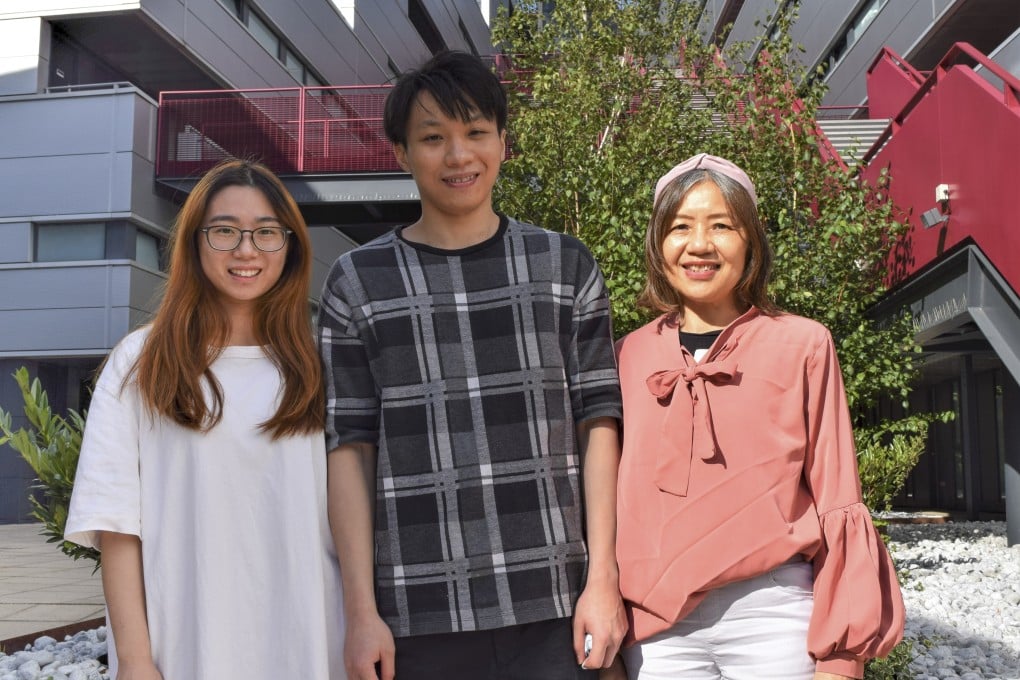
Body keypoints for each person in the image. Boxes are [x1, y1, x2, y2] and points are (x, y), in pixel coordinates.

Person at [317, 50, 626, 680]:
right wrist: (360, 612)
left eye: (476, 133)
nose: (459, 156)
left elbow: (600, 422)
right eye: (434, 138)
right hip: (415, 614)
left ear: (504, 143)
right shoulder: (357, 281)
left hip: (554, 603)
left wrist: (604, 579)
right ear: (401, 152)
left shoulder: (565, 266)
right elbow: (349, 446)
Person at [609, 154, 905, 680]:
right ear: (658, 244)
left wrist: (841, 656)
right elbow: (605, 504)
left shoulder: (803, 344)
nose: (700, 245)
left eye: (721, 225)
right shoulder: (625, 357)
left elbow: (838, 494)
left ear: (750, 241)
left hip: (776, 615)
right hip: (656, 629)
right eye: (681, 227)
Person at [64, 159, 345, 680]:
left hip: (313, 640)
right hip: (186, 647)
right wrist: (134, 660)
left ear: (291, 245)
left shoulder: (321, 363)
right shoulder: (141, 362)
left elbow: (355, 515)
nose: (246, 250)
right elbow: (117, 525)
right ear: (195, 242)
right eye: (225, 231)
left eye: (266, 232)